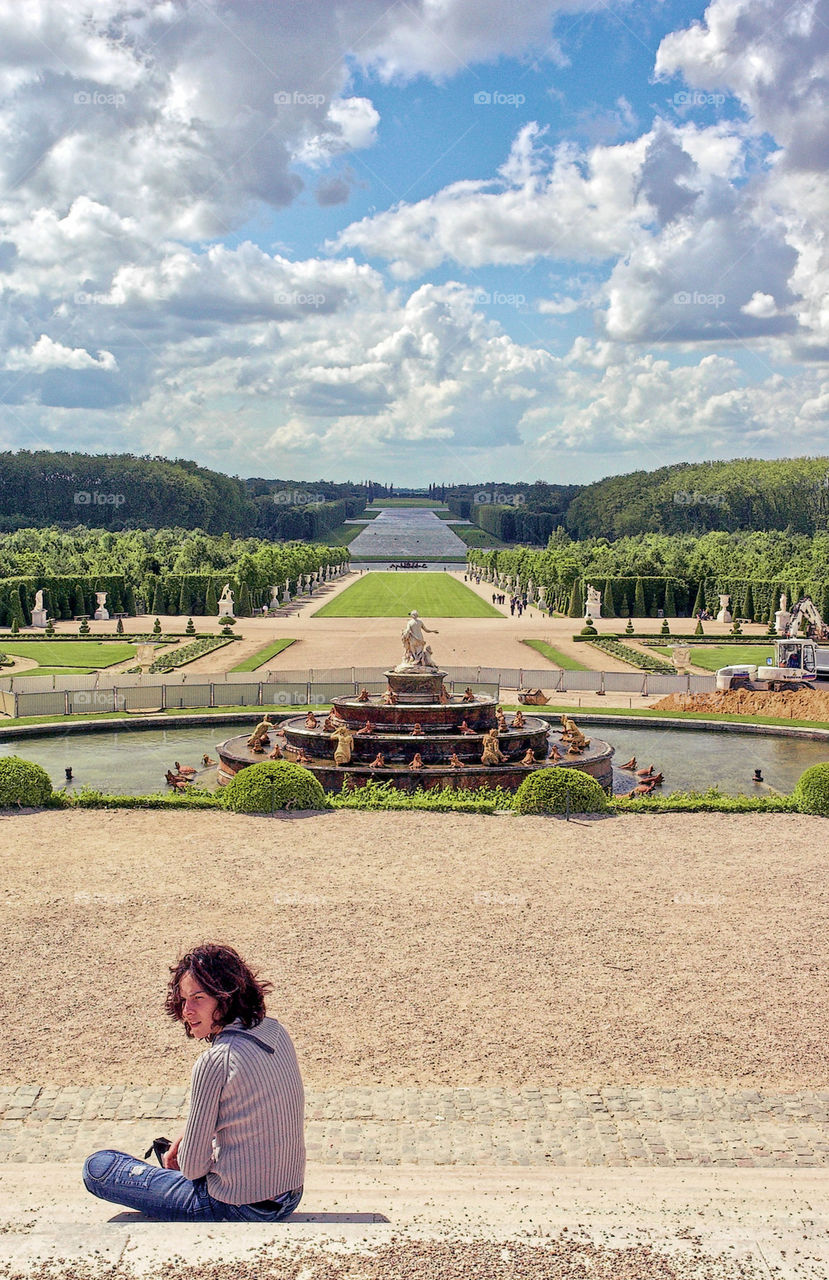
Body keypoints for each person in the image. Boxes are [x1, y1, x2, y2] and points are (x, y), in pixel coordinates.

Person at [82, 944, 304, 1222]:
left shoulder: (215, 1061)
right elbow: (254, 1111)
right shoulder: (275, 1031)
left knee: (98, 1168)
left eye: (198, 998)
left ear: (226, 997)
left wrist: (190, 1151)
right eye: (184, 999)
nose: (187, 1011)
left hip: (239, 1207)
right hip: (289, 1195)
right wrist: (191, 1136)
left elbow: (192, 1169)